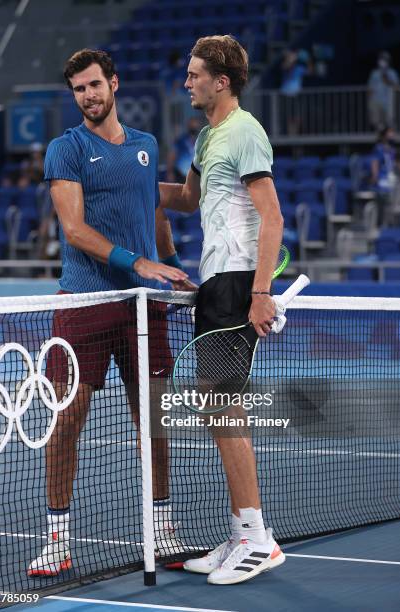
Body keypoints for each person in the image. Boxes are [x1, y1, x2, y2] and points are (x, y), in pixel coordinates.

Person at [28, 48, 192, 577]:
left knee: (155, 420)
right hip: (86, 302)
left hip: (144, 308)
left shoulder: (144, 145)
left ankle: (162, 528)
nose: (88, 96)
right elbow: (73, 229)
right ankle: (57, 537)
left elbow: (156, 210)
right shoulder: (66, 149)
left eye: (95, 85)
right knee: (67, 420)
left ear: (114, 84)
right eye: (79, 89)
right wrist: (138, 261)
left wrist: (171, 268)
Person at [159, 35, 285, 585]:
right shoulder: (208, 137)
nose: (187, 82)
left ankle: (258, 539)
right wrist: (124, 181)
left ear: (221, 81)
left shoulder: (245, 131)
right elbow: (186, 201)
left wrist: (260, 292)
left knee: (224, 407)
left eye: (194, 74)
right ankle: (240, 533)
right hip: (215, 282)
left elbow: (272, 218)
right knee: (215, 409)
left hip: (237, 284)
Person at [367, 51, 399, 131]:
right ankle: (380, 135)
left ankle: (390, 135)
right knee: (376, 121)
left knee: (389, 121)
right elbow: (370, 88)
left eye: (385, 59)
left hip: (388, 101)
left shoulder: (392, 73)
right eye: (381, 59)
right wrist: (369, 99)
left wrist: (387, 80)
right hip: (376, 100)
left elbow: (396, 86)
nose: (382, 62)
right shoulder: (374, 73)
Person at [166, 117, 201, 183]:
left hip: (197, 176)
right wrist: (170, 172)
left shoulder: (201, 141)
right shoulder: (180, 141)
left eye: (196, 125)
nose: (194, 127)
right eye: (192, 125)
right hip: (181, 175)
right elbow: (172, 155)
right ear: (188, 126)